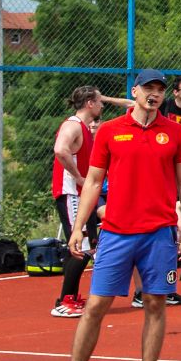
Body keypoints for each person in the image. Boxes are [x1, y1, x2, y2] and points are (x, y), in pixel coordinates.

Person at [50, 69, 181, 361]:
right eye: (148, 88)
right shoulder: (111, 132)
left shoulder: (175, 133)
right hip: (116, 232)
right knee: (96, 305)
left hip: (159, 233)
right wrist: (78, 227)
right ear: (135, 91)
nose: (154, 94)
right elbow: (91, 182)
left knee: (155, 303)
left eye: (159, 89)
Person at [49, 85, 114, 319]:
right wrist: (77, 176)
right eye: (99, 101)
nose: (102, 105)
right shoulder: (73, 125)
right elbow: (60, 150)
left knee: (86, 246)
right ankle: (65, 301)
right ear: (89, 103)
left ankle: (70, 296)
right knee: (82, 248)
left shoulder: (85, 128)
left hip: (79, 194)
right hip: (71, 193)